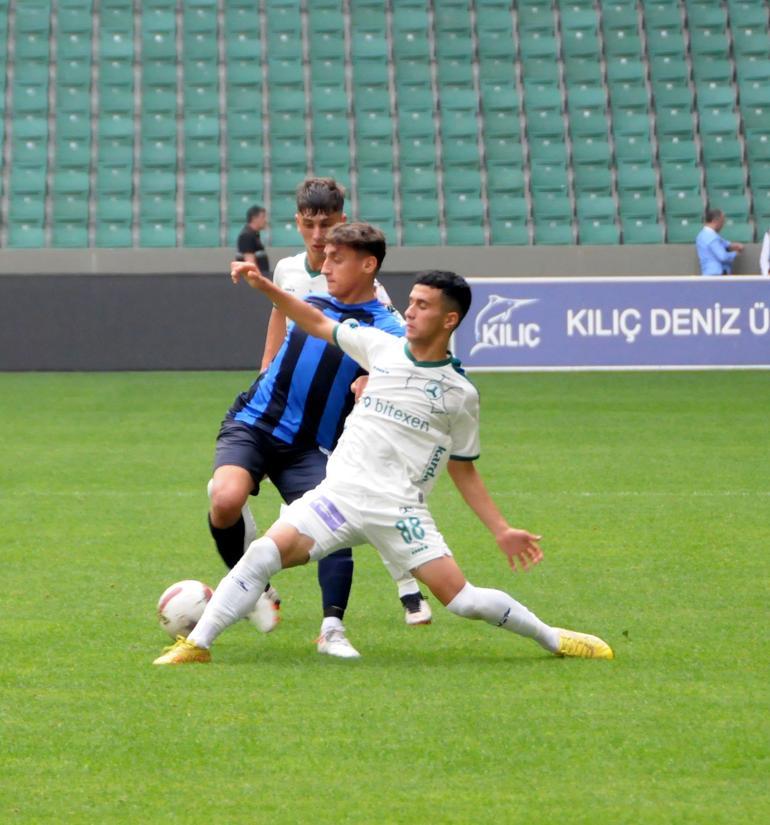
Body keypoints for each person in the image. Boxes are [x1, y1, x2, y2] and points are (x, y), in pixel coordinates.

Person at [154, 263, 614, 665]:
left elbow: (463, 467)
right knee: (261, 554)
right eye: (410, 302)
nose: (410, 311)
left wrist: (500, 529)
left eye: (423, 305)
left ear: (449, 318)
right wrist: (265, 288)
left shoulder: (459, 394)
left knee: (464, 601)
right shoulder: (379, 346)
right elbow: (314, 320)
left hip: (400, 513)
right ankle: (198, 644)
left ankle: (554, 639)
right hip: (338, 498)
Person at [206, 221, 430, 659]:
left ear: (368, 266)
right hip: (254, 423)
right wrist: (265, 348)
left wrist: (371, 382)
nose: (324, 265)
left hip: (309, 446)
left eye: (335, 258)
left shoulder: (388, 329)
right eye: (324, 257)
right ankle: (255, 590)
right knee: (224, 498)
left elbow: (407, 376)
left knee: (334, 524)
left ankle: (332, 629)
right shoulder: (311, 301)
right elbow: (282, 309)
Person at [695, 208, 744, 276]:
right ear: (715, 221)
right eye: (722, 221)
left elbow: (723, 243)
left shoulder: (702, 235)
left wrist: (733, 245)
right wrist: (735, 254)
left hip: (709, 273)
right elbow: (723, 256)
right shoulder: (711, 236)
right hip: (716, 275)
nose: (723, 225)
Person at [236, 205, 270, 277]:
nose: (265, 220)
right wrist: (260, 281)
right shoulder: (246, 236)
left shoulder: (254, 235)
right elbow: (250, 264)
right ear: (254, 218)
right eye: (263, 217)